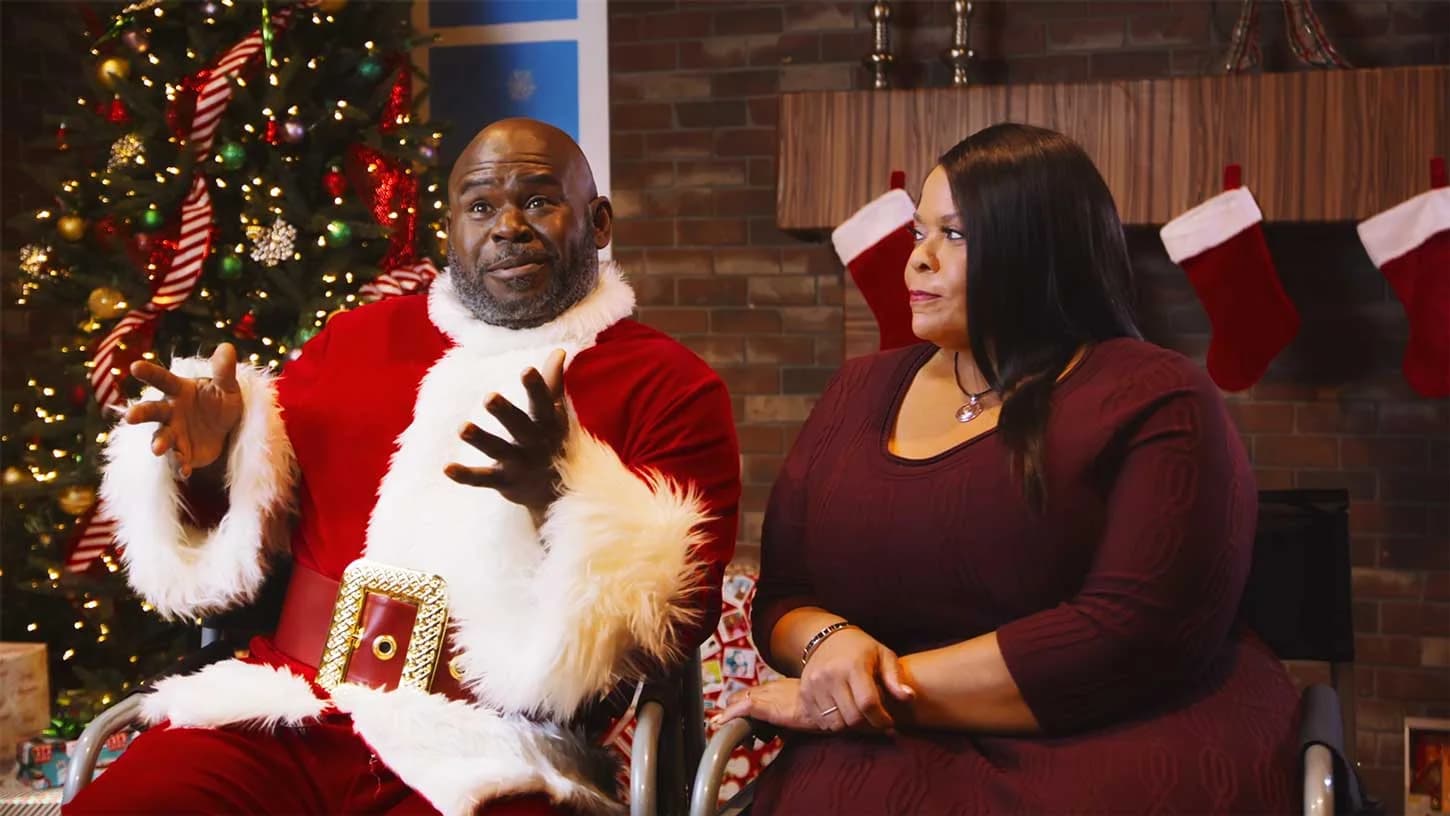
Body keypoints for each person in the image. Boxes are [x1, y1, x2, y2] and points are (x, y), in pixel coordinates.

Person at [68, 118, 741, 816]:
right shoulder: (354, 342)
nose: (507, 226)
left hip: (502, 749)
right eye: (480, 207)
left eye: (539, 201)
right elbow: (247, 546)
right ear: (449, 231)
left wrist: (565, 498)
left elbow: (675, 621)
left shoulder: (673, 386)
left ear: (598, 223)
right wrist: (210, 463)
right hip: (285, 711)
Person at [718, 123, 1301, 814]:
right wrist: (831, 641)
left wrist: (877, 688)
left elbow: (1131, 635)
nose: (918, 263)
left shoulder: (1154, 396)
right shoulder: (857, 392)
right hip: (882, 742)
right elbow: (786, 591)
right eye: (918, 233)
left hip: (1116, 733)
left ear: (1039, 249)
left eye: (956, 235)